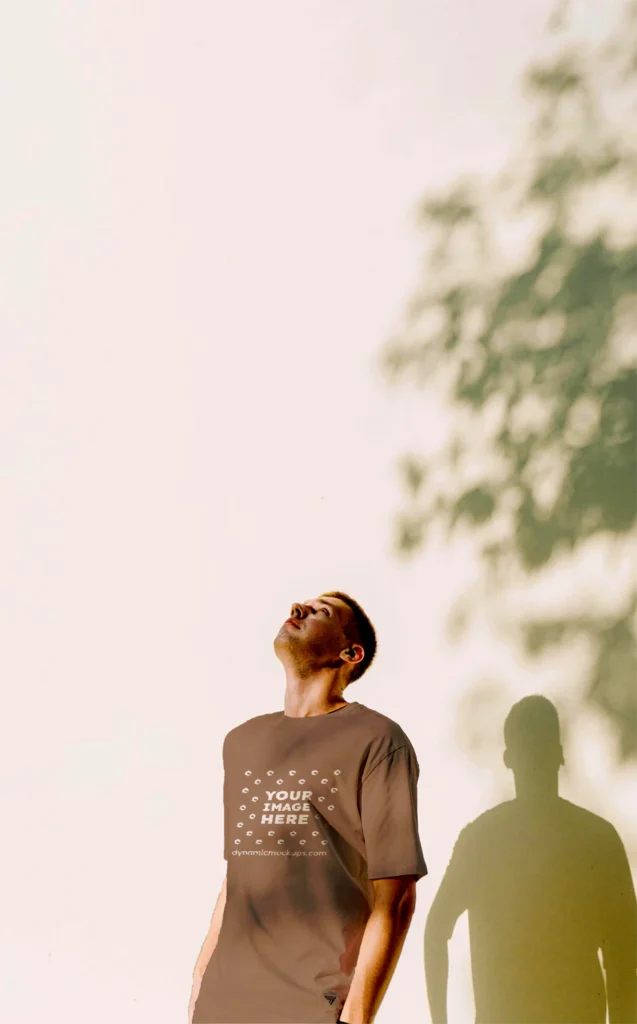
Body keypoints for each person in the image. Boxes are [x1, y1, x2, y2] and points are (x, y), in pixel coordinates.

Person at [189, 590, 428, 1024]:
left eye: (321, 612)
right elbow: (236, 879)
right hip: (222, 1005)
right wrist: (199, 986)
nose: (297, 610)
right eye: (300, 605)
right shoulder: (242, 742)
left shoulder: (378, 741)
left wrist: (357, 1017)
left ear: (349, 653)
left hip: (311, 1006)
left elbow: (395, 895)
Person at [424, 695, 637, 1024]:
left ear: (509, 759)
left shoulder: (481, 839)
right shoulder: (598, 839)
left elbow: (436, 930)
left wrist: (440, 1021)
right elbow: (622, 959)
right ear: (561, 755)